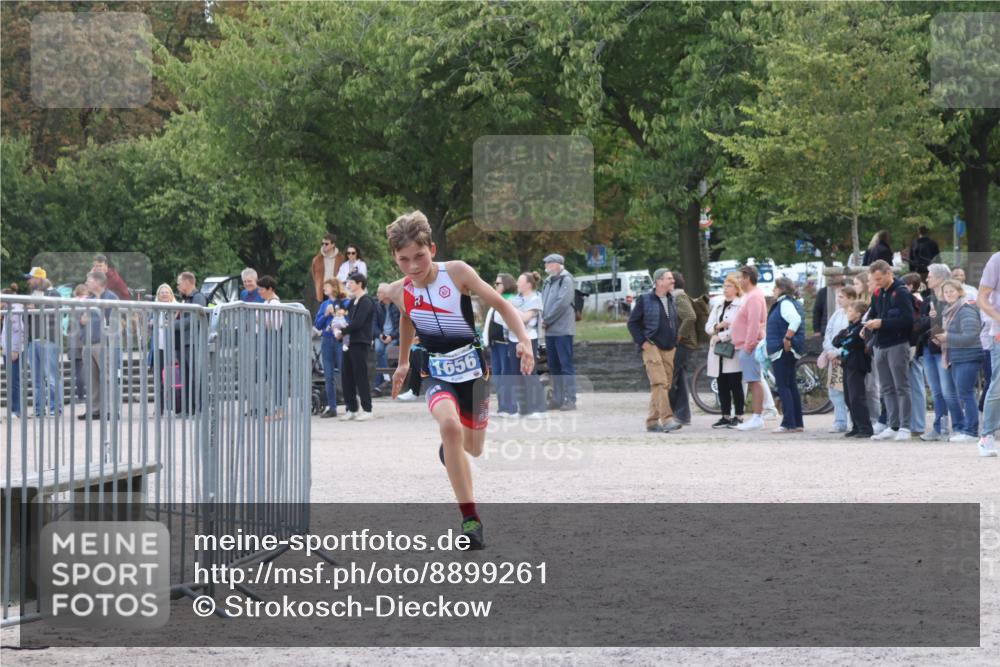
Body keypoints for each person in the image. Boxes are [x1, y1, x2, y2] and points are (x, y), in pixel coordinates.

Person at [386, 211, 535, 549]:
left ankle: (451, 449)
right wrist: (405, 363)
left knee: (474, 449)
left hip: (473, 373)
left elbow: (500, 304)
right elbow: (407, 319)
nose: (412, 266)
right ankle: (470, 520)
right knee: (449, 426)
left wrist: (524, 341)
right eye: (403, 259)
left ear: (433, 249)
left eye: (419, 256)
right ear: (395, 258)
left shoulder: (457, 273)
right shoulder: (403, 289)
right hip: (436, 372)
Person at [627, 268, 683, 433]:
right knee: (659, 382)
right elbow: (632, 323)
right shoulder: (645, 300)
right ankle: (667, 419)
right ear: (659, 281)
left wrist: (675, 341)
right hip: (651, 346)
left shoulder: (672, 299)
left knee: (663, 385)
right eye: (669, 278)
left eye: (672, 278)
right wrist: (643, 342)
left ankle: (652, 422)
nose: (673, 281)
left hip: (669, 347)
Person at [864, 260, 914, 441]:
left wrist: (882, 323)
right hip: (880, 345)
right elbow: (873, 314)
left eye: (879, 279)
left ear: (888, 273)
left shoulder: (900, 292)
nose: (876, 283)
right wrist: (869, 324)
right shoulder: (878, 293)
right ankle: (892, 425)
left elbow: (908, 320)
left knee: (901, 386)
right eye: (874, 280)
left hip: (898, 344)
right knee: (886, 388)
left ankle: (905, 426)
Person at [935, 279, 983, 443]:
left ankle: (970, 431)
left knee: (966, 394)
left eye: (951, 291)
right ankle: (968, 430)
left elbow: (971, 336)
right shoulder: (949, 310)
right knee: (964, 394)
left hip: (968, 355)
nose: (948, 294)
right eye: (946, 291)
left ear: (959, 291)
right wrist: (943, 340)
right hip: (958, 356)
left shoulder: (965, 310)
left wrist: (947, 337)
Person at [915, 264, 953, 441]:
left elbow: (948, 323)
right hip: (927, 349)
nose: (927, 279)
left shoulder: (949, 298)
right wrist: (930, 319)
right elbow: (918, 324)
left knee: (947, 390)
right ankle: (939, 427)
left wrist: (933, 320)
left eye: (930, 276)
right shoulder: (927, 299)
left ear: (939, 278)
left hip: (942, 349)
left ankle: (956, 427)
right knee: (936, 391)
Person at [77, 271, 119, 420]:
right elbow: (80, 320)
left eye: (89, 280)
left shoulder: (111, 298)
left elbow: (114, 322)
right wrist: (82, 325)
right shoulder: (88, 299)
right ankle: (95, 409)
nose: (86, 283)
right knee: (91, 378)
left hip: (104, 344)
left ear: (98, 282)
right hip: (88, 344)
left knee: (108, 377)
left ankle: (110, 409)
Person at [766, 277, 806, 433]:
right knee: (791, 386)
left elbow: (794, 320)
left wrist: (787, 338)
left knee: (783, 385)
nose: (773, 291)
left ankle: (788, 422)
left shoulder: (785, 303)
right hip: (790, 350)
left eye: (775, 288)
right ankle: (797, 422)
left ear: (781, 288)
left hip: (783, 349)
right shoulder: (793, 302)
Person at [23, 267, 64, 417]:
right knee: (36, 379)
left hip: (49, 340)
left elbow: (56, 308)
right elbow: (25, 319)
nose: (28, 281)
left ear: (39, 279)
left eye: (31, 278)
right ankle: (39, 409)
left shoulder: (54, 293)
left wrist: (36, 306)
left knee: (52, 377)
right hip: (32, 341)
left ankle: (55, 408)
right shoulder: (31, 295)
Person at [705, 272, 743, 428]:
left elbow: (738, 328)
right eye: (725, 286)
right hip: (717, 352)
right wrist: (717, 327)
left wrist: (722, 336)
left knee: (735, 384)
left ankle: (739, 416)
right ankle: (725, 415)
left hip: (732, 350)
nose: (726, 289)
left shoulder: (740, 305)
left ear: (736, 288)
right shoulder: (718, 305)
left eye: (729, 286)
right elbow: (708, 327)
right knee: (722, 385)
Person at [733, 265, 768, 431]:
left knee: (754, 381)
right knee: (753, 380)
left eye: (740, 277)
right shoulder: (750, 296)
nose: (738, 280)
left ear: (747, 278)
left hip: (750, 346)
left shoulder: (754, 297)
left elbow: (754, 323)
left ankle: (757, 417)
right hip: (746, 345)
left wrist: (748, 346)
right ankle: (756, 417)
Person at [507, 271, 546, 418]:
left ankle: (538, 409)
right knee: (516, 374)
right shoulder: (515, 299)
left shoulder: (536, 299)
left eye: (520, 281)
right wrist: (510, 306)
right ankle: (523, 409)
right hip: (513, 339)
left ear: (528, 284)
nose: (517, 284)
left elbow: (524, 318)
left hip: (529, 339)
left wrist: (510, 307)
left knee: (529, 373)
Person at [833, 301, 874, 438]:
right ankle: (856, 425)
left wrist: (845, 338)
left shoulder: (860, 327)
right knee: (848, 397)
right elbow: (836, 341)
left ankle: (865, 427)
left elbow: (850, 341)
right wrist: (844, 337)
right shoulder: (849, 327)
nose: (847, 314)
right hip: (847, 363)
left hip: (857, 363)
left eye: (850, 311)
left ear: (858, 314)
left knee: (857, 396)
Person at [541, 253, 576, 411]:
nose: (546, 267)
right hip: (549, 331)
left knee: (565, 365)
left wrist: (547, 320)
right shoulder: (548, 281)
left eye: (548, 264)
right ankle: (557, 398)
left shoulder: (566, 279)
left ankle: (570, 399)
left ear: (557, 264)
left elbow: (562, 303)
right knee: (554, 366)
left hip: (562, 330)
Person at [338, 272, 375, 421]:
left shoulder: (366, 301)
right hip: (349, 342)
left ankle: (367, 409)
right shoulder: (352, 302)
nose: (348, 285)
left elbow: (358, 322)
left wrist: (342, 331)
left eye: (351, 282)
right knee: (347, 375)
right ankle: (352, 408)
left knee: (360, 375)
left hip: (360, 342)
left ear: (360, 284)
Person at [821, 286, 857, 433]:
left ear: (851, 298)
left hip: (845, 357)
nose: (838, 300)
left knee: (848, 391)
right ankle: (840, 421)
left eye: (842, 297)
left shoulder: (852, 315)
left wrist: (837, 353)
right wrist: (829, 350)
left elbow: (850, 338)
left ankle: (853, 420)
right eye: (838, 297)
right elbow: (828, 334)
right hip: (833, 358)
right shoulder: (836, 314)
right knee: (834, 391)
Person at [314, 278, 351, 418]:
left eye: (327, 287)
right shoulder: (324, 304)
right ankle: (332, 407)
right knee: (328, 375)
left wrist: (342, 330)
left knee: (344, 373)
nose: (324, 289)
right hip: (327, 340)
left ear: (334, 288)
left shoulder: (346, 303)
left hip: (341, 341)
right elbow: (317, 324)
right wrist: (325, 314)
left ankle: (350, 405)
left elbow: (348, 321)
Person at [976, 251, 1000, 457]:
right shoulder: (997, 260)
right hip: (999, 331)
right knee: (998, 383)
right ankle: (987, 435)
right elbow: (982, 298)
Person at [484, 273, 517, 417]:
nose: (495, 286)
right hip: (495, 343)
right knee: (497, 375)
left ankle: (511, 407)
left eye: (498, 284)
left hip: (505, 343)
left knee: (506, 374)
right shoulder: (499, 301)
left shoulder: (511, 301)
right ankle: (502, 406)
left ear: (506, 285)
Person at [175, 272, 207, 415]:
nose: (178, 286)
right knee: (186, 377)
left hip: (193, 343)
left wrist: (173, 324)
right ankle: (189, 408)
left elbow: (194, 319)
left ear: (188, 282)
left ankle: (199, 407)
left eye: (179, 283)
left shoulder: (198, 297)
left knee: (196, 376)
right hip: (185, 342)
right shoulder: (186, 299)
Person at [668, 271, 697, 425]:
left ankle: (674, 413)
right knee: (679, 377)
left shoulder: (678, 296)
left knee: (670, 378)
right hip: (683, 344)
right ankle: (682, 415)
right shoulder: (675, 296)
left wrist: (679, 336)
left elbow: (690, 316)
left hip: (682, 344)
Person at [900, 272, 927, 435]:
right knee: (914, 385)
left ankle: (918, 424)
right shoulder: (917, 300)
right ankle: (916, 423)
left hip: (914, 346)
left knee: (915, 384)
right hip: (914, 345)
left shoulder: (916, 301)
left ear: (910, 286)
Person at [148, 283, 178, 415]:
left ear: (171, 294)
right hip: (157, 349)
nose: (164, 294)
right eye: (162, 292)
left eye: (167, 292)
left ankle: (173, 406)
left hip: (171, 349)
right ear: (158, 296)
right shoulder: (155, 309)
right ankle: (159, 408)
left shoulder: (177, 308)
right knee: (158, 380)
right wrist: (150, 324)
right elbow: (149, 329)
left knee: (172, 379)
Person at [372, 282, 401, 396]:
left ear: (387, 294)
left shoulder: (397, 305)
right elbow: (373, 325)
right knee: (379, 349)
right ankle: (387, 378)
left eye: (380, 292)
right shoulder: (377, 306)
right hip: (381, 335)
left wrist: (392, 336)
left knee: (386, 351)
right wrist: (379, 335)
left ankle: (379, 385)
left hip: (393, 336)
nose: (377, 294)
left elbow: (401, 326)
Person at [1, 289, 25, 418]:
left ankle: (16, 410)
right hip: (7, 348)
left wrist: (15, 349)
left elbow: (18, 331)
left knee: (13, 381)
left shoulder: (13, 309)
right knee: (10, 380)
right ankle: (13, 409)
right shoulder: (8, 308)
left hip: (12, 350)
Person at [311, 233, 345, 304]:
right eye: (322, 243)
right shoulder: (317, 260)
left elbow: (344, 275)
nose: (324, 245)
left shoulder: (341, 259)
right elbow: (314, 275)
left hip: (336, 291)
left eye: (326, 244)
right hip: (322, 291)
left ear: (333, 245)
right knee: (324, 313)